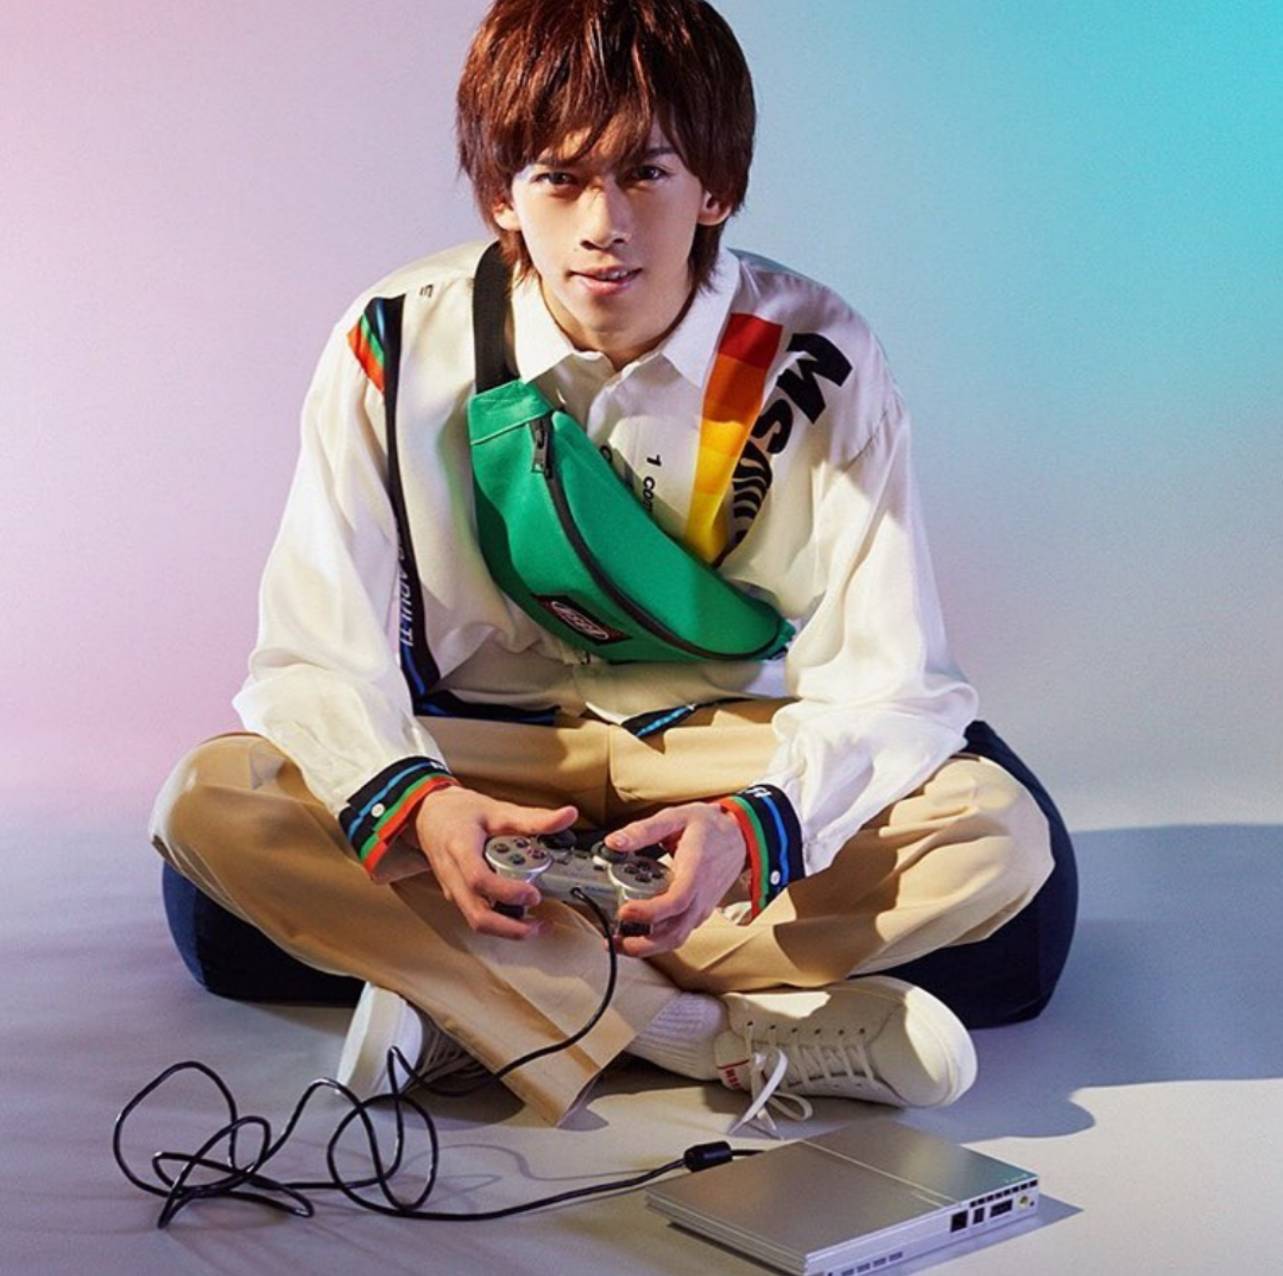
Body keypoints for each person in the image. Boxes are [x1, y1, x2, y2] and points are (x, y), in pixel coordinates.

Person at [149, 0, 1075, 1135]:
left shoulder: (815, 355)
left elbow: (891, 680)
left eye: (645, 173)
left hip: (718, 746)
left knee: (995, 835)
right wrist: (423, 806)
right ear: (501, 194)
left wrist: (751, 824)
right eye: (558, 179)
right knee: (212, 802)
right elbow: (311, 654)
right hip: (487, 751)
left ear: (715, 186)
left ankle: (477, 1002)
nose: (603, 225)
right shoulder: (394, 341)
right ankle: (703, 1033)